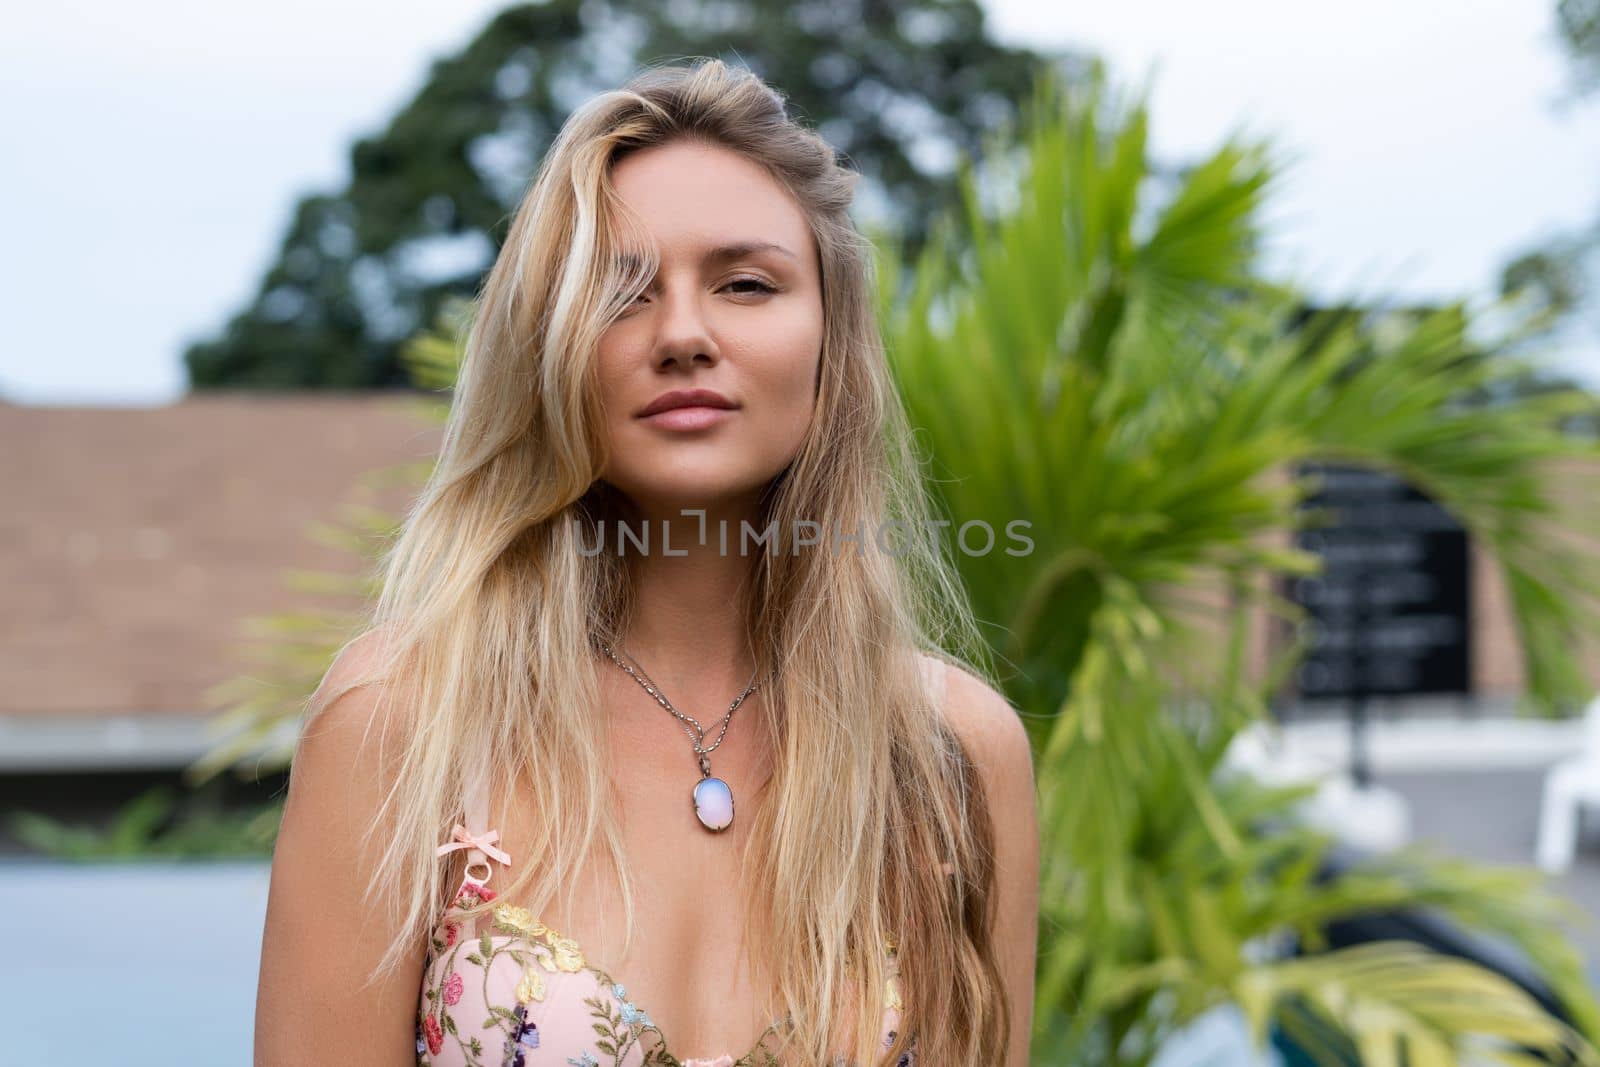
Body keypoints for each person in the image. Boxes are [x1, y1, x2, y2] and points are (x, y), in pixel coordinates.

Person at [255, 58, 1038, 1067]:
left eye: (745, 283)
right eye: (620, 290)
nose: (681, 334)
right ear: (548, 344)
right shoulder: (404, 723)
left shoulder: (950, 753)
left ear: (830, 341)